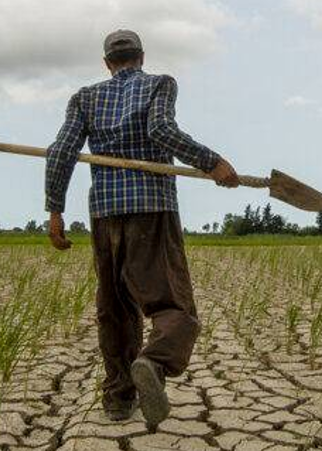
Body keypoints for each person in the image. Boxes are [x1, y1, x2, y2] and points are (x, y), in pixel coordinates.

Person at [44, 29, 239, 429]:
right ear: (142, 57)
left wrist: (55, 211)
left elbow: (62, 150)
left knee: (114, 308)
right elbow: (161, 131)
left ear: (106, 63)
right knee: (172, 304)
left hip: (104, 214)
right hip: (151, 208)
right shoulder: (160, 84)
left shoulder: (85, 97)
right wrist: (211, 161)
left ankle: (118, 398)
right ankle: (153, 362)